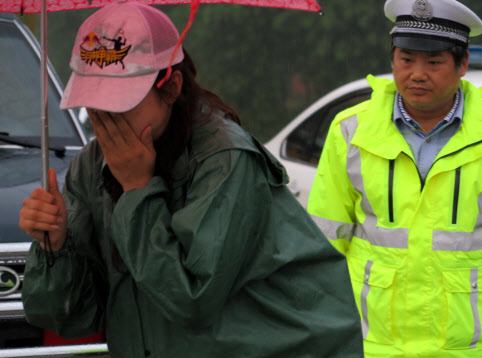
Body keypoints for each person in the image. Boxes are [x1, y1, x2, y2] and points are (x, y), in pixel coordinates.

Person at [18, 3, 364, 357]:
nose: (108, 122)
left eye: (121, 103)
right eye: (95, 103)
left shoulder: (224, 159)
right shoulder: (91, 167)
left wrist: (137, 189)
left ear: (171, 88)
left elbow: (190, 300)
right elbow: (72, 319)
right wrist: (55, 247)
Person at [307, 0, 482, 357]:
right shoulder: (351, 131)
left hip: (467, 350)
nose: (417, 74)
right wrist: (325, 335)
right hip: (368, 346)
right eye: (406, 60)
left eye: (434, 62)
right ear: (392, 60)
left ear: (463, 65)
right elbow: (322, 244)